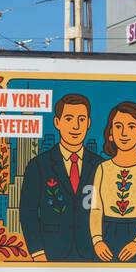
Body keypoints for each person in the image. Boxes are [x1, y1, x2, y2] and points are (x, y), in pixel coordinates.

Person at [20, 93, 100, 263]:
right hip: (51, 253)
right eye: (69, 119)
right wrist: (37, 253)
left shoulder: (100, 165)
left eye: (81, 119)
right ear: (57, 122)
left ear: (89, 123)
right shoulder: (39, 165)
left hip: (92, 254)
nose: (76, 126)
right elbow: (28, 213)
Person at [89, 101, 136, 263]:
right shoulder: (102, 168)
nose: (124, 133)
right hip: (106, 239)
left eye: (131, 126)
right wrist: (97, 240)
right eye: (118, 126)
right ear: (110, 133)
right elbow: (95, 209)